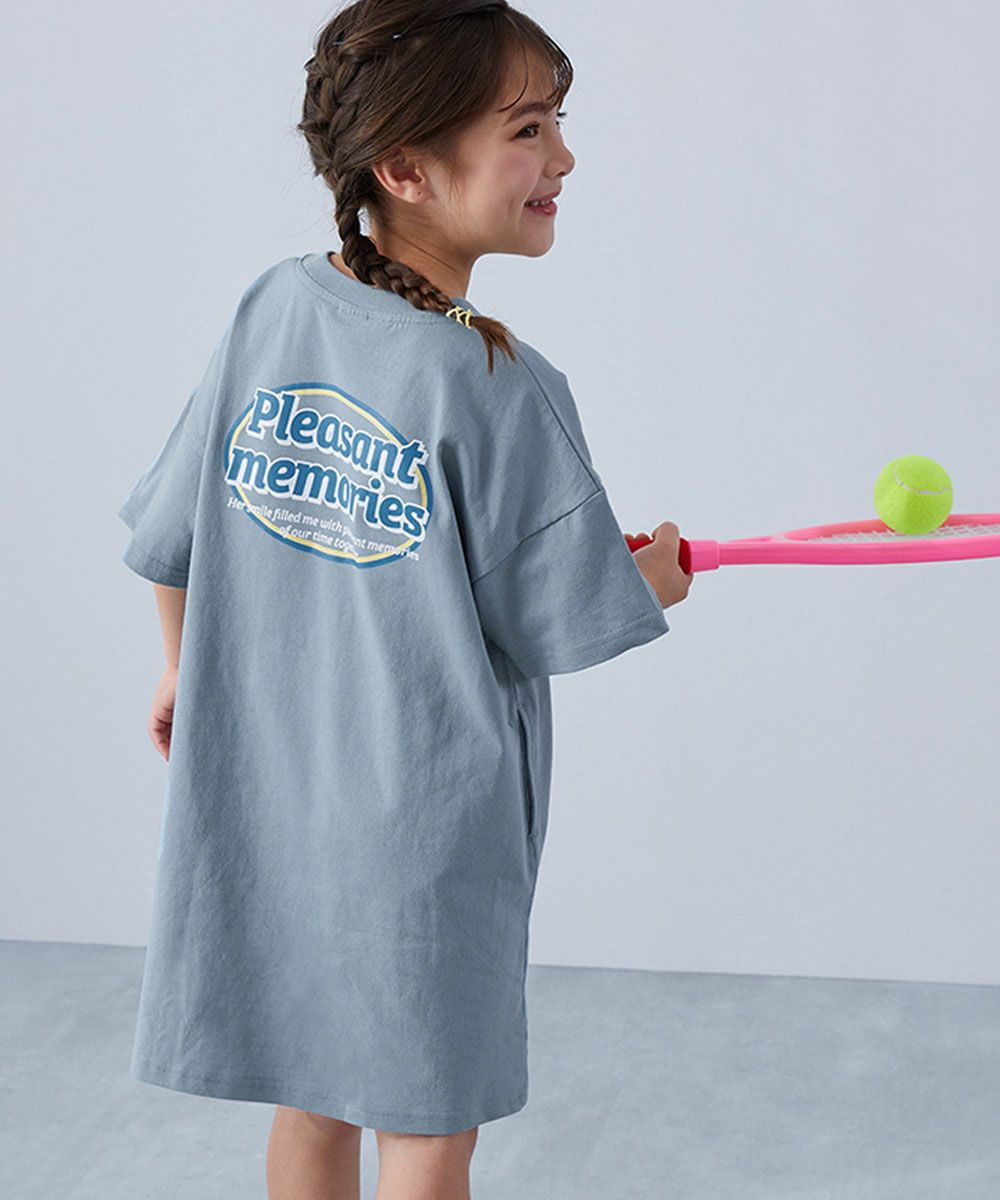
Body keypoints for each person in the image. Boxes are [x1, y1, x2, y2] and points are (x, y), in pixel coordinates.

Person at [116, 2, 694, 1198]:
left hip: (268, 798)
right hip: (423, 837)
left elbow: (178, 538)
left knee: (312, 1092)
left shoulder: (273, 308)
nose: (565, 158)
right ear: (406, 168)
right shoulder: (499, 380)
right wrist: (653, 577)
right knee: (428, 1125)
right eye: (528, 129)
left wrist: (179, 667)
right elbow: (559, 619)